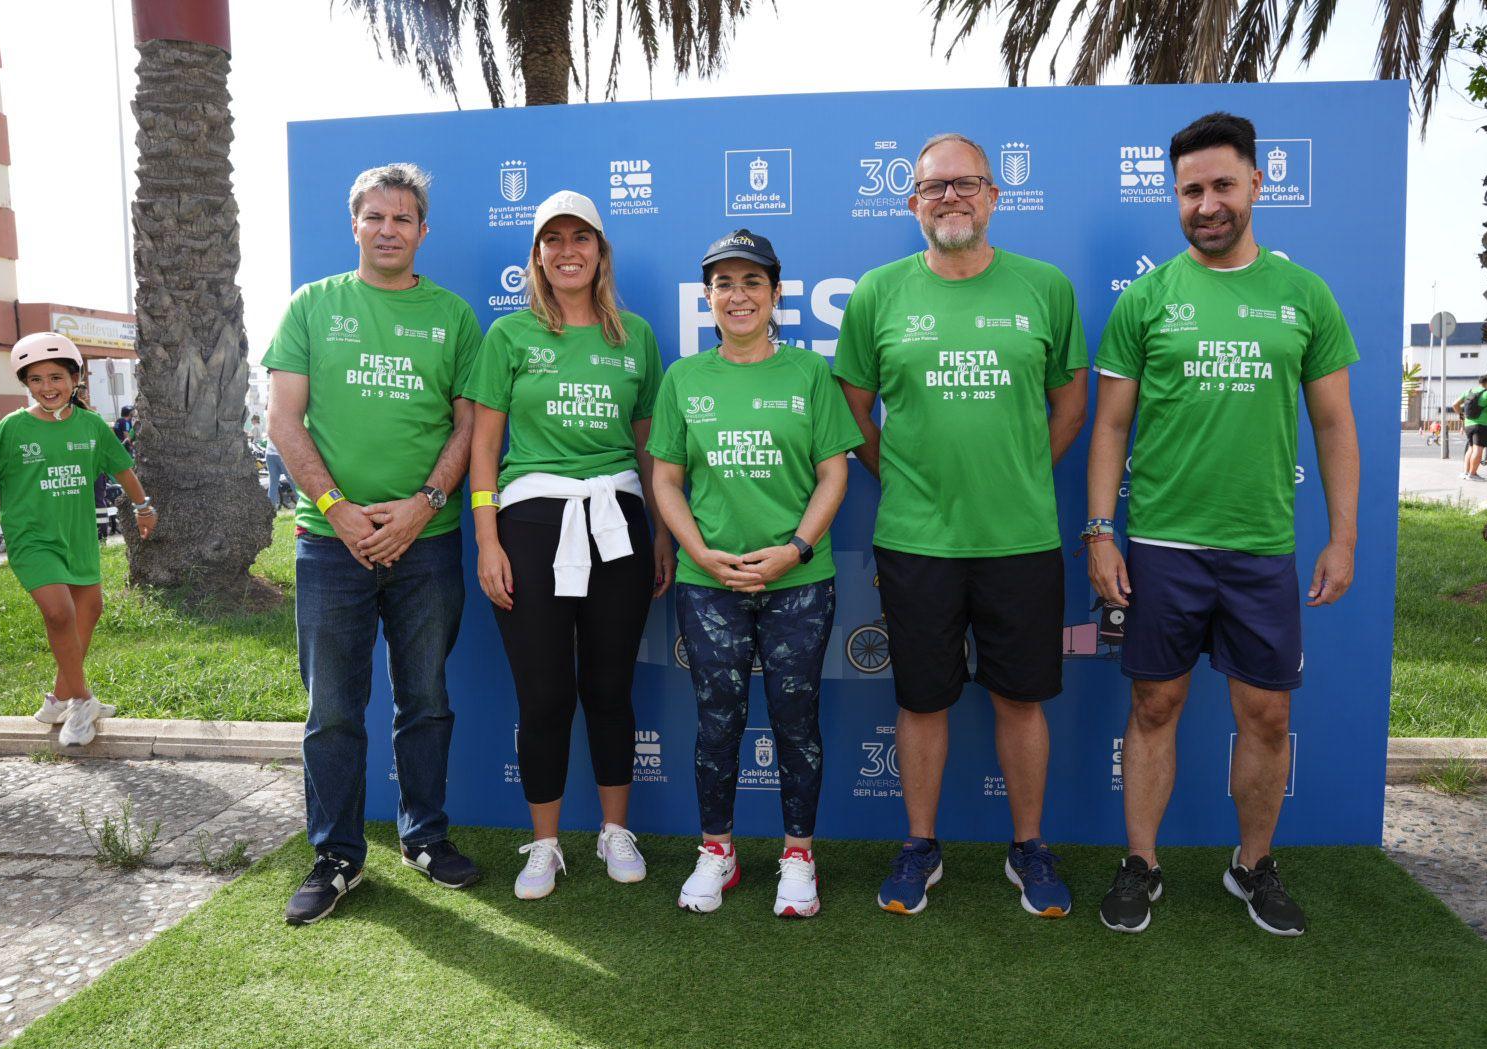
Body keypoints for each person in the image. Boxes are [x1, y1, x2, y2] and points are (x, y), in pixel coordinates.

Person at [1086, 112, 1360, 938]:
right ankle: (1143, 864)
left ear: (1256, 186)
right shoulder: (1149, 298)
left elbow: (1337, 428)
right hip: (1162, 546)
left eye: (1222, 186)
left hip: (1260, 547)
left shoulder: (1304, 295)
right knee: (1156, 704)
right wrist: (1102, 530)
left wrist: (1343, 538)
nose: (1206, 204)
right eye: (1191, 190)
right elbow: (1108, 429)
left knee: (1267, 716)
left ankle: (1252, 866)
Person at [834, 133, 1089, 919]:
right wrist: (908, 480)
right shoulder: (878, 293)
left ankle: (1030, 847)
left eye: (967, 183)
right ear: (912, 202)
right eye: (934, 187)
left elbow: (1073, 402)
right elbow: (852, 413)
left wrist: (1015, 473)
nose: (951, 197)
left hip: (1021, 539)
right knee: (921, 700)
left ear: (994, 198)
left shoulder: (1046, 288)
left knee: (1022, 698)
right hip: (915, 540)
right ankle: (919, 846)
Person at [264, 162, 484, 926]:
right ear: (354, 224)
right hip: (331, 543)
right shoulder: (313, 305)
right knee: (333, 708)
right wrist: (339, 508)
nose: (388, 230)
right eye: (375, 217)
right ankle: (336, 857)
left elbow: (469, 427)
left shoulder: (454, 316)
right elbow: (283, 422)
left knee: (425, 699)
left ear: (423, 232)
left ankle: (423, 836)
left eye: (403, 219)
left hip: (428, 542)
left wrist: (423, 507)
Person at [464, 190, 673, 901]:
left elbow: (652, 450)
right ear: (538, 255)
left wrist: (664, 533)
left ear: (600, 251)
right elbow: (484, 447)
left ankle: (615, 831)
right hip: (530, 526)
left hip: (618, 524)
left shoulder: (634, 337)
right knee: (545, 694)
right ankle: (546, 843)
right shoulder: (510, 337)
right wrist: (488, 540)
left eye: (580, 237)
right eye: (552, 239)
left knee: (610, 689)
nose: (567, 250)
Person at [650, 229, 861, 917]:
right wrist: (701, 554)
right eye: (723, 284)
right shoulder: (685, 378)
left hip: (798, 580)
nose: (737, 296)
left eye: (751, 283)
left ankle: (798, 855)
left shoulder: (807, 375)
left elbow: (835, 474)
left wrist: (795, 549)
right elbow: (667, 479)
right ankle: (719, 851)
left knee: (797, 719)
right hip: (709, 582)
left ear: (774, 294)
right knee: (718, 720)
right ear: (707, 296)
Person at [0, 332, 158, 747]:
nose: (47, 387)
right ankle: (83, 700)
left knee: (89, 612)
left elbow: (122, 469)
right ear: (26, 384)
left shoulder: (91, 426)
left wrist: (144, 508)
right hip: (31, 539)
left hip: (79, 538)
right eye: (35, 380)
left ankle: (59, 697)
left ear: (76, 378)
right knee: (59, 614)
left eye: (56, 377)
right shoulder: (12, 428)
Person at [1454, 376, 1487, 480]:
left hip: (1468, 425)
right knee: (1478, 449)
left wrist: (1462, 416)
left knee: (1470, 448)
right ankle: (1473, 474)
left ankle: (1466, 473)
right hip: (1481, 425)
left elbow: (1455, 404)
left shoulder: (1468, 392)